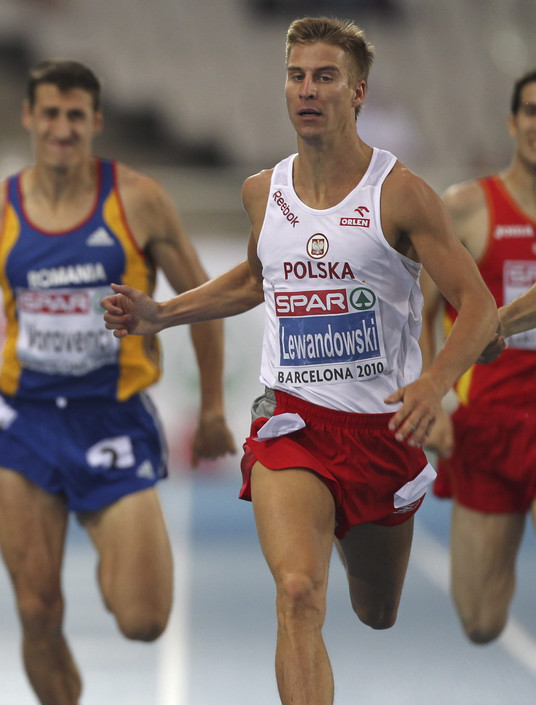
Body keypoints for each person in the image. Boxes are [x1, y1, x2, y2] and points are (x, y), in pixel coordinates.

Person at [101, 17, 497, 705]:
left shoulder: (400, 193)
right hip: (293, 423)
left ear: (358, 92)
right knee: (296, 592)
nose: (307, 90)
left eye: (325, 77)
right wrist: (163, 312)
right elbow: (257, 279)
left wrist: (435, 383)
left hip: (382, 431)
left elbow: (479, 305)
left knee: (377, 611)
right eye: (296, 75)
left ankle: (347, 524)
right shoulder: (264, 191)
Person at [0, 58, 236, 705]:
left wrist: (212, 406)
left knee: (144, 618)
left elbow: (204, 299)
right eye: (50, 113)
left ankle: (113, 550)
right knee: (37, 607)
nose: (62, 128)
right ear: (29, 117)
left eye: (76, 115)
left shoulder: (138, 201)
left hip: (114, 415)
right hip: (26, 420)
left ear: (96, 121)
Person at [419, 68, 536, 645]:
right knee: (481, 621)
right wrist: (433, 397)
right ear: (513, 122)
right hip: (487, 424)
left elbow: (496, 318)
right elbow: (416, 313)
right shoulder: (466, 207)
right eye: (533, 111)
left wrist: (495, 325)